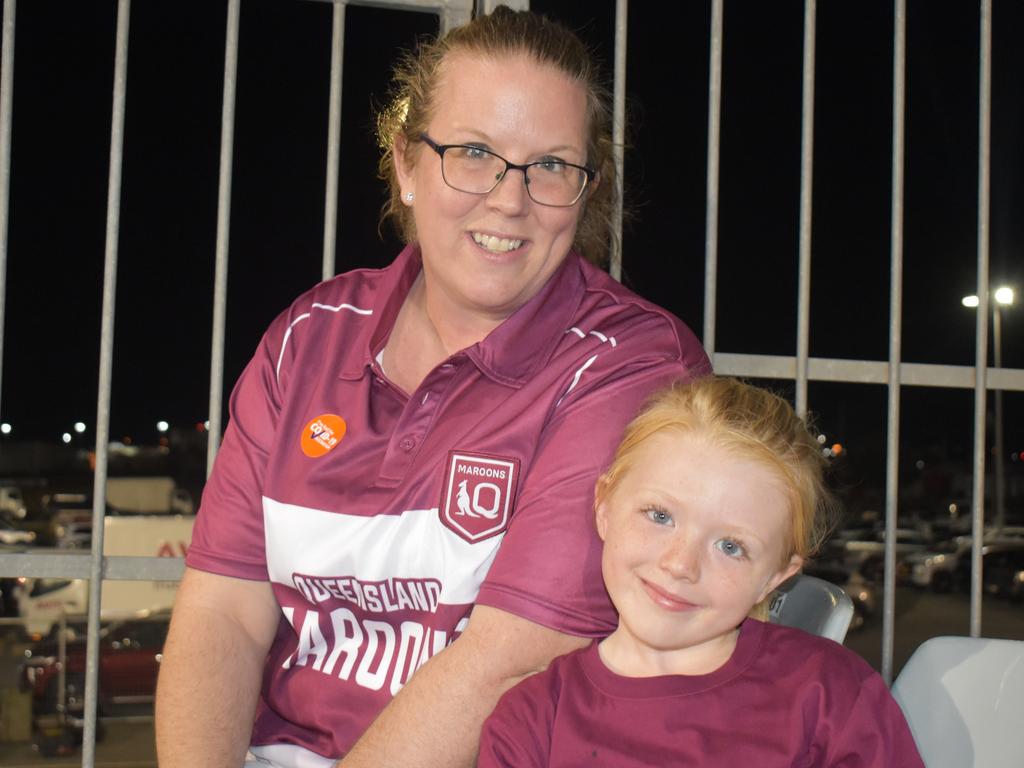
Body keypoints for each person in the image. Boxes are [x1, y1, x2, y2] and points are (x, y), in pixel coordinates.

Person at [154, 7, 710, 768]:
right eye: (474, 152)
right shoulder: (308, 337)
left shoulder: (633, 367)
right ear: (407, 166)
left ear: (589, 191)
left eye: (551, 165)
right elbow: (223, 609)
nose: (510, 200)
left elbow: (510, 661)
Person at [478, 377, 925, 767]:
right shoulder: (534, 720)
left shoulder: (831, 695)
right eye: (659, 516)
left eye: (731, 546)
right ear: (605, 506)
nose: (680, 565)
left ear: (775, 576)